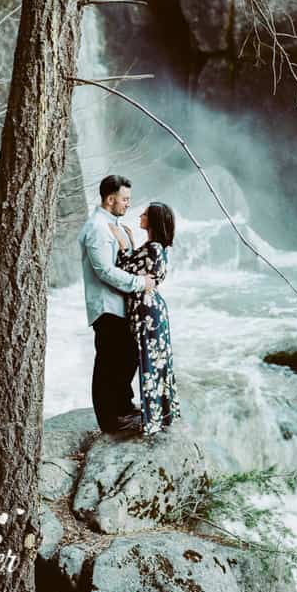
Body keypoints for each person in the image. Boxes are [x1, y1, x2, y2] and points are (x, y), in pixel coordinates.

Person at [78, 175, 155, 433]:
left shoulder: (112, 225)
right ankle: (110, 420)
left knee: (126, 357)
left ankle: (123, 407)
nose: (128, 204)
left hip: (118, 306)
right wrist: (139, 282)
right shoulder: (98, 227)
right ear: (110, 199)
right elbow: (105, 271)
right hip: (106, 306)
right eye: (125, 199)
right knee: (108, 364)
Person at [110, 202, 181, 436]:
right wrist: (130, 244)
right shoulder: (155, 246)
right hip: (151, 309)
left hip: (146, 312)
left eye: (145, 214)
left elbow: (125, 270)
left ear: (153, 221)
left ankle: (151, 420)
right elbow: (139, 271)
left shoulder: (153, 247)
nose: (140, 215)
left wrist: (122, 246)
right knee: (155, 362)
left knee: (149, 363)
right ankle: (160, 415)